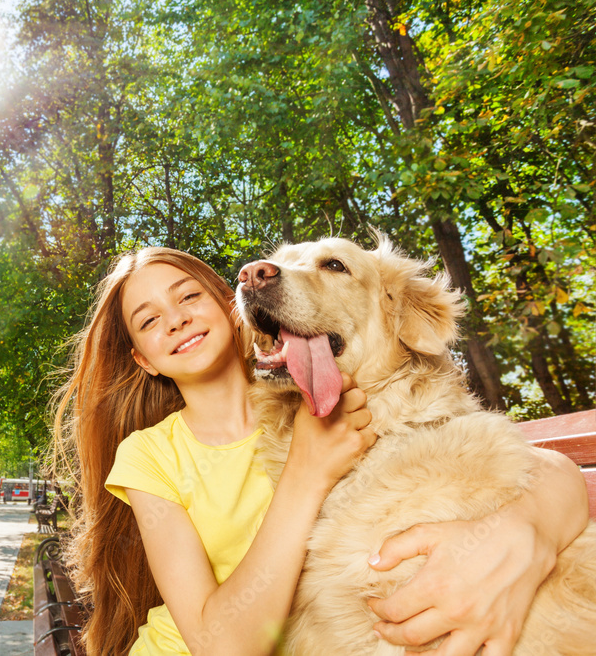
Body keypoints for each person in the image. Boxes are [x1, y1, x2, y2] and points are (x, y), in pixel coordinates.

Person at [49, 246, 589, 655]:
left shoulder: (356, 412)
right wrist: (306, 471)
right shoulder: (154, 454)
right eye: (147, 320)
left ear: (229, 312)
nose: (176, 318)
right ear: (144, 360)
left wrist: (530, 524)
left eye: (190, 296)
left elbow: (533, 468)